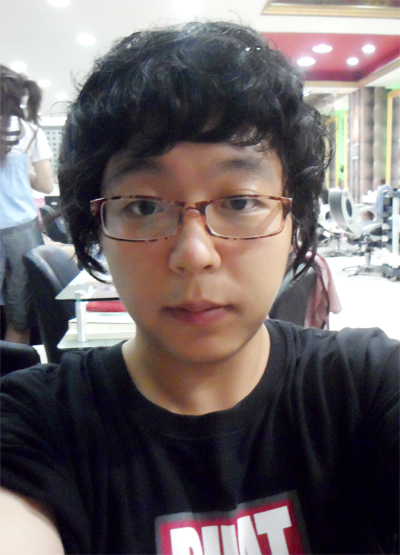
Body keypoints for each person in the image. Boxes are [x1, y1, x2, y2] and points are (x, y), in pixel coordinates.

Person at [1, 22, 398, 555]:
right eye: (144, 205)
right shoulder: (37, 423)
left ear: (295, 221)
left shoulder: (366, 386)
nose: (194, 253)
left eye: (240, 201)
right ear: (97, 228)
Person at [0, 65, 55, 344]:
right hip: (21, 231)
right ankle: (14, 371)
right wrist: (20, 171)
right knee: (19, 316)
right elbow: (46, 185)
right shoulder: (29, 131)